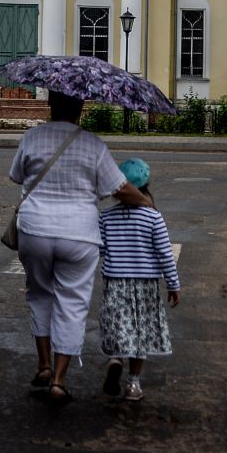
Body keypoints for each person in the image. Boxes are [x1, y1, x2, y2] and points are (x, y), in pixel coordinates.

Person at [9, 91, 152, 405]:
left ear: (50, 104)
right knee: (72, 303)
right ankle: (59, 380)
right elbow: (119, 188)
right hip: (79, 234)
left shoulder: (31, 137)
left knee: (39, 294)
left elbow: (16, 176)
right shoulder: (93, 144)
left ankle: (43, 365)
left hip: (34, 230)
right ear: (81, 108)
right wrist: (145, 202)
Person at [97, 158, 181, 402]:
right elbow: (165, 254)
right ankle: (133, 385)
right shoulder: (153, 217)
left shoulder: (106, 216)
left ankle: (115, 359)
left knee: (118, 327)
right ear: (147, 185)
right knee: (140, 332)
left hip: (115, 282)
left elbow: (100, 249)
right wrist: (173, 285)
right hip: (145, 284)